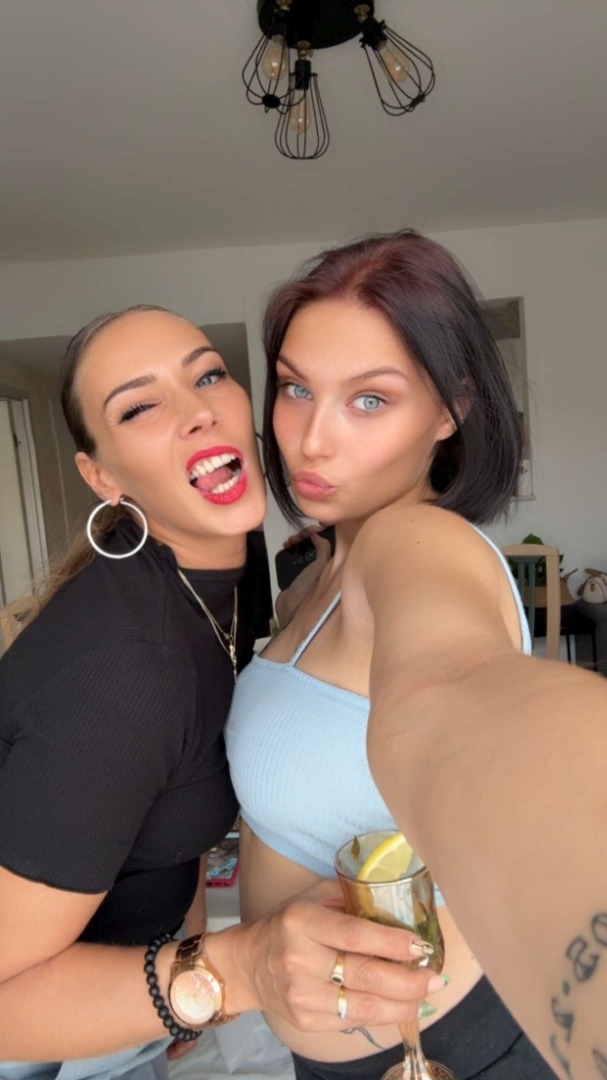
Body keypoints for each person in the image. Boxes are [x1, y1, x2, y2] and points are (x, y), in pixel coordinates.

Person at [0, 305, 445, 1080]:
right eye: (139, 407)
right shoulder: (126, 668)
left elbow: (167, 783)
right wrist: (223, 972)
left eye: (207, 375)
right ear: (102, 477)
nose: (197, 411)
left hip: (122, 1005)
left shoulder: (210, 588)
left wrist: (184, 935)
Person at [225, 229, 600, 1080]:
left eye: (369, 399)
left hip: (463, 1049)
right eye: (295, 388)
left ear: (448, 410)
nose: (310, 440)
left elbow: (450, 686)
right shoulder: (316, 574)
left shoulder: (414, 543)